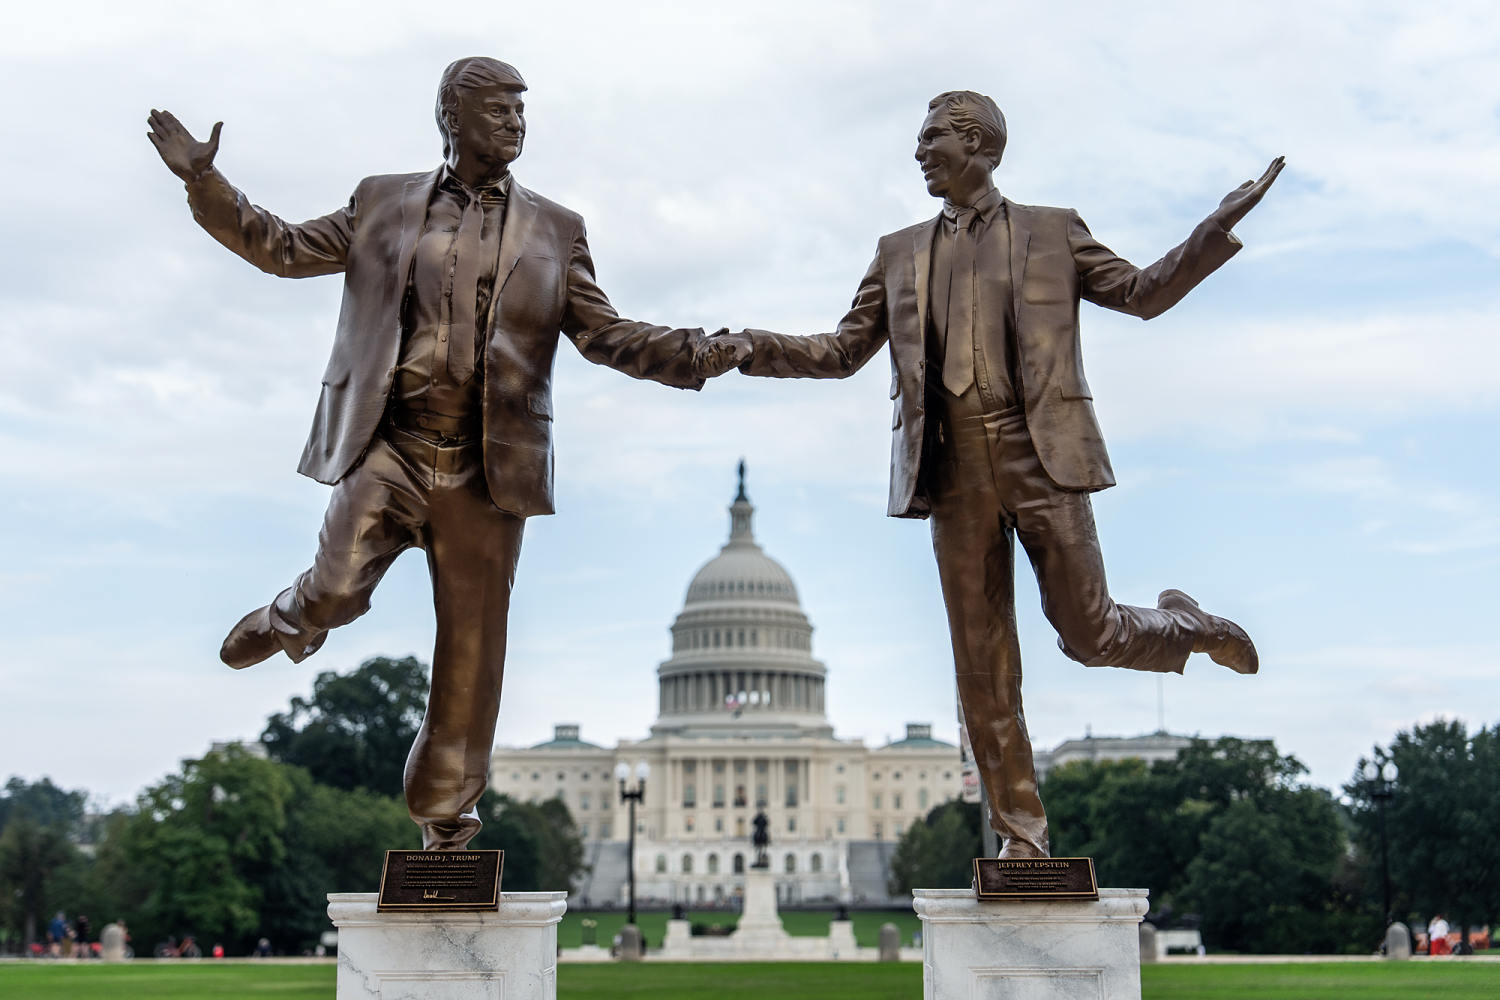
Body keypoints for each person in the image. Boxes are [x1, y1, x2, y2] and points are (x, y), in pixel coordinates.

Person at [697, 91, 1281, 859]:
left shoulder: (1052, 231)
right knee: (983, 664)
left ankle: (1188, 625)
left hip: (1040, 452)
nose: (918, 153)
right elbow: (843, 351)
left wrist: (1212, 230)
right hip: (952, 467)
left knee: (1089, 633)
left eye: (932, 137)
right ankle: (1022, 836)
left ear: (981, 145)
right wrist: (750, 346)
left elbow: (1142, 296)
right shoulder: (898, 250)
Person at [148, 58, 708, 850]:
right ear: (454, 115)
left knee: (472, 655)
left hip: (487, 469)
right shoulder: (384, 202)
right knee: (339, 590)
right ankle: (294, 615)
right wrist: (207, 185)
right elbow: (281, 247)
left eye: (523, 110)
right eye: (501, 109)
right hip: (392, 445)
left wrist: (696, 352)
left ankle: (445, 816)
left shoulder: (556, 228)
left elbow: (604, 335)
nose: (516, 123)